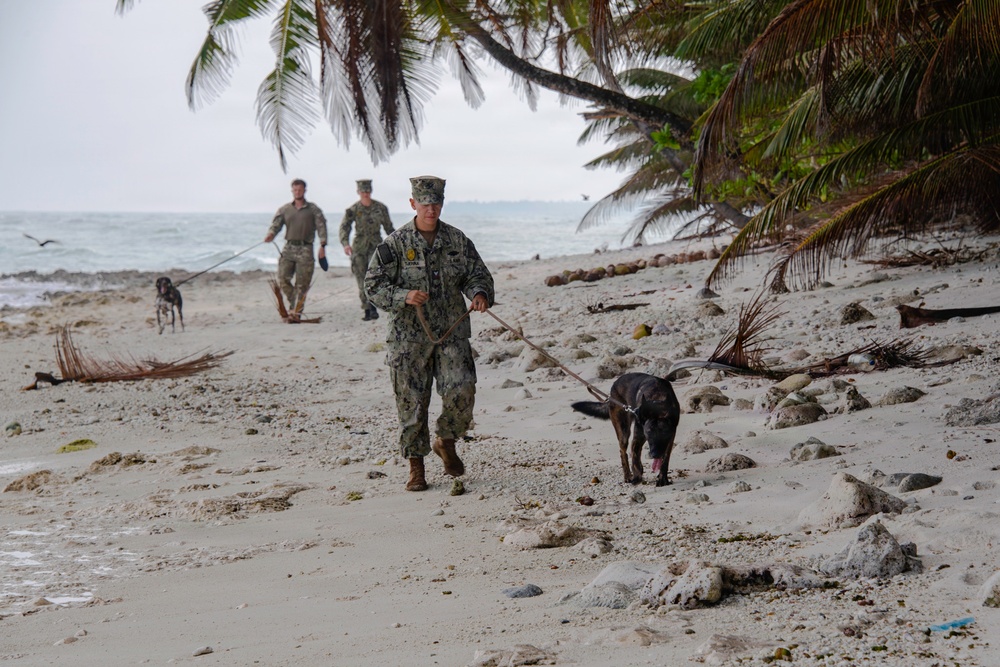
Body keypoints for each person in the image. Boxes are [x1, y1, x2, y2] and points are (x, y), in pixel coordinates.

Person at [364, 176, 495, 491]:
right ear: (413, 204)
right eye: (424, 203)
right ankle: (416, 466)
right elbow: (373, 285)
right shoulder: (394, 244)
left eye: (436, 203)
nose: (431, 209)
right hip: (408, 338)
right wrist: (403, 297)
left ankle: (446, 441)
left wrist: (478, 293)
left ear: (441, 204)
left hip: (451, 332)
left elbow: (477, 273)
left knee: (461, 392)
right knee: (411, 401)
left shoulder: (457, 240)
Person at [264, 179, 328, 317]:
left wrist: (323, 245)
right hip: (289, 248)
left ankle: (296, 311)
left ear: (304, 190)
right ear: (292, 191)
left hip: (306, 249)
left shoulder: (313, 209)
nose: (297, 192)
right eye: (295, 190)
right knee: (282, 279)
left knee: (302, 284)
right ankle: (294, 302)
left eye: (300, 189)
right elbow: (276, 225)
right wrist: (271, 234)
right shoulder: (285, 209)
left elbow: (321, 227)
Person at [338, 179, 394, 321]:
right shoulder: (353, 210)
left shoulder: (381, 208)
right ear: (358, 192)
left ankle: (374, 306)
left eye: (368, 191)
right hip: (359, 247)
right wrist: (345, 244)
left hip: (376, 246)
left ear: (371, 191)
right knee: (361, 279)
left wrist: (397, 243)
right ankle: (367, 309)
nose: (366, 194)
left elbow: (389, 228)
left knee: (375, 276)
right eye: (363, 192)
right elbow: (344, 227)